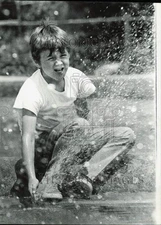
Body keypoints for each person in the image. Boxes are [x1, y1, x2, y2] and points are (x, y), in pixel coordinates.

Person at [10, 22, 136, 202]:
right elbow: (28, 137)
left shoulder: (76, 78)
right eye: (51, 58)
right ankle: (50, 182)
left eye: (63, 55)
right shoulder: (31, 89)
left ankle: (83, 177)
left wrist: (87, 146)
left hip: (70, 138)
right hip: (43, 148)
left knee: (126, 135)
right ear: (37, 61)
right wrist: (31, 176)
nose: (59, 63)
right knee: (79, 123)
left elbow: (85, 111)